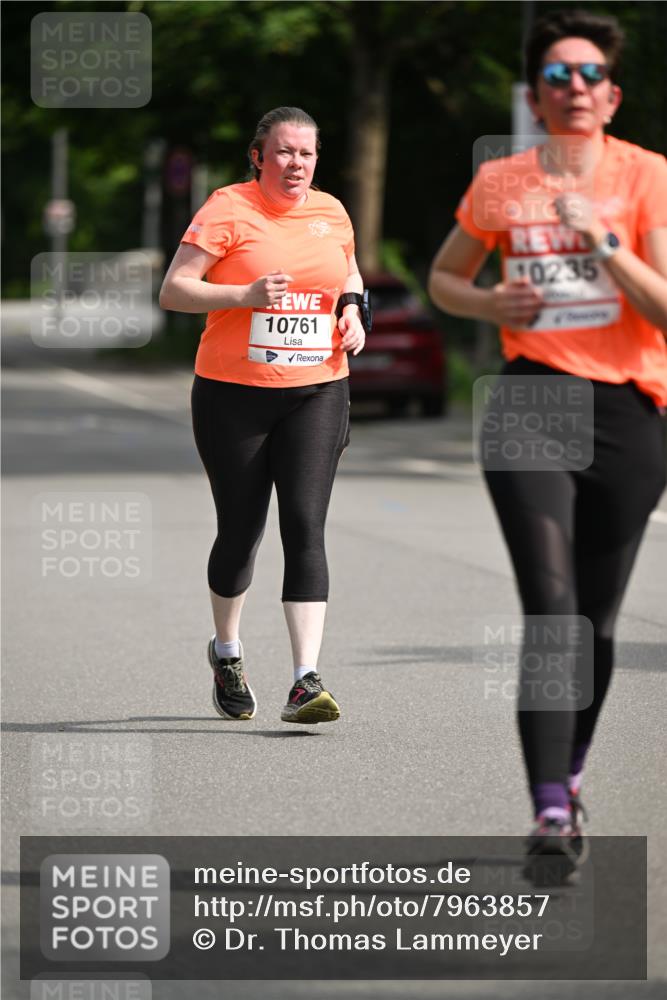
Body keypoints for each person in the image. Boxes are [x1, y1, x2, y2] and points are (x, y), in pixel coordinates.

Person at [428, 9, 667, 860]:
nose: (573, 88)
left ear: (611, 95)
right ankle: (547, 813)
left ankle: (568, 771)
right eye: (556, 76)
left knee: (596, 625)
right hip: (531, 395)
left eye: (588, 75)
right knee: (552, 610)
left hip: (631, 412)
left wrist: (599, 238)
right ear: (534, 96)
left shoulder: (648, 178)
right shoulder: (502, 182)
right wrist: (491, 302)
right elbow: (445, 277)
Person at [159, 107, 369, 725]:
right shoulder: (227, 209)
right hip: (232, 393)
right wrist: (243, 296)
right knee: (240, 531)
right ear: (258, 155)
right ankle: (227, 652)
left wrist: (354, 309)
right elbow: (174, 289)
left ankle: (305, 679)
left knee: (305, 525)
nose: (295, 164)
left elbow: (349, 271)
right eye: (283, 152)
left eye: (306, 154)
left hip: (319, 388)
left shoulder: (332, 212)